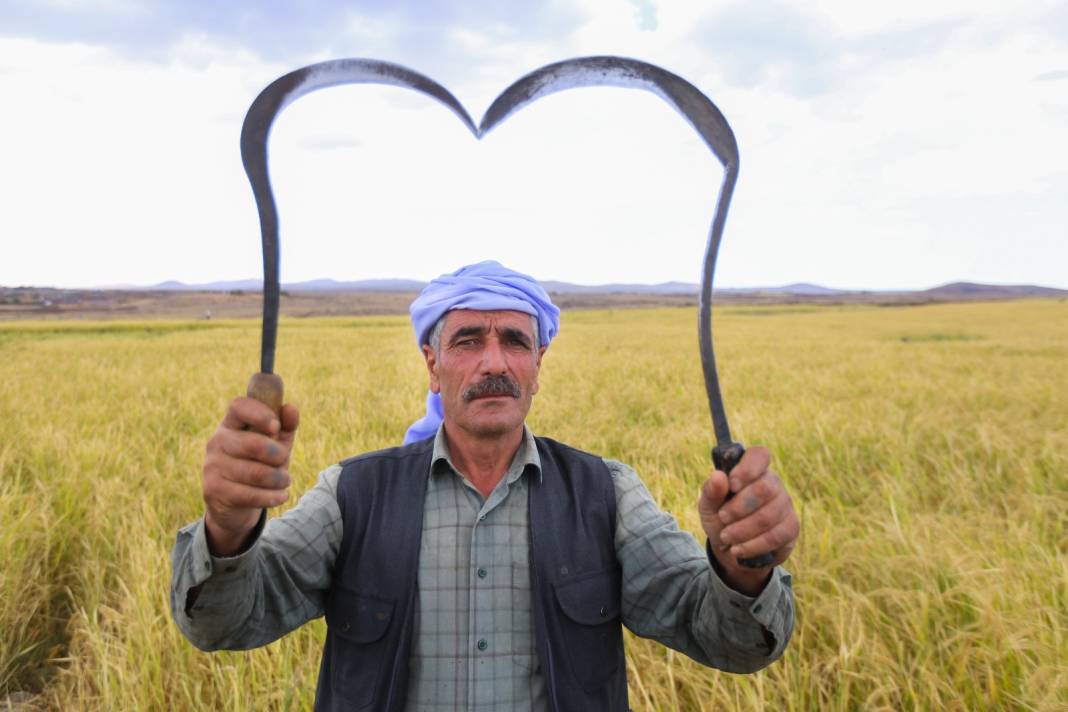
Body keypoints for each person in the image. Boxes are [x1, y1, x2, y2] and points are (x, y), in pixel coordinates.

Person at [170, 260, 799, 712]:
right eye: (468, 340)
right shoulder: (354, 495)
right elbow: (225, 623)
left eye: (515, 342)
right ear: (433, 363)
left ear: (538, 365)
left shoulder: (604, 494)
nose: (493, 362)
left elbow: (729, 640)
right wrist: (228, 528)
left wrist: (742, 566)